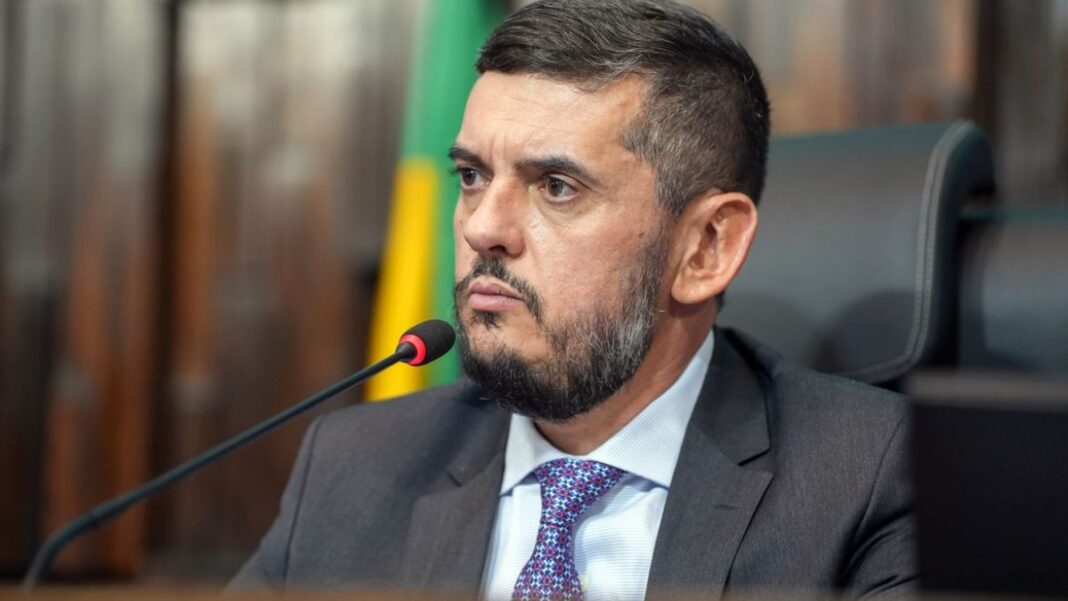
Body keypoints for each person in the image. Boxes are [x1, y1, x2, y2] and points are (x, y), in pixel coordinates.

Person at [231, 1, 915, 599]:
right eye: (471, 176)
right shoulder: (357, 466)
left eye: (556, 186)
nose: (481, 228)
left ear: (705, 247)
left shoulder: (869, 476)